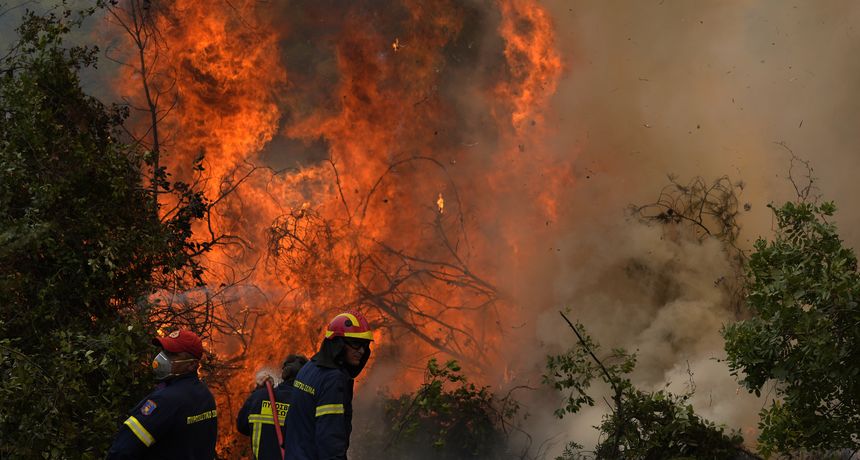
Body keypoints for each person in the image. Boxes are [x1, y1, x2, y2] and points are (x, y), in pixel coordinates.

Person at [106, 329, 217, 459]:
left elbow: (121, 450)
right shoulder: (205, 395)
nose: (162, 357)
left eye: (172, 354)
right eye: (164, 351)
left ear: (191, 365)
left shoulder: (164, 400)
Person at [282, 310, 373, 460]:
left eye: (365, 345)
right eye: (356, 344)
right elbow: (330, 438)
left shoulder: (309, 368)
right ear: (338, 343)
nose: (362, 351)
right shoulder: (333, 379)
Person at [237, 354, 309, 459]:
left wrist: (258, 390)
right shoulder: (306, 403)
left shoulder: (258, 397)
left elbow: (242, 426)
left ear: (283, 374)